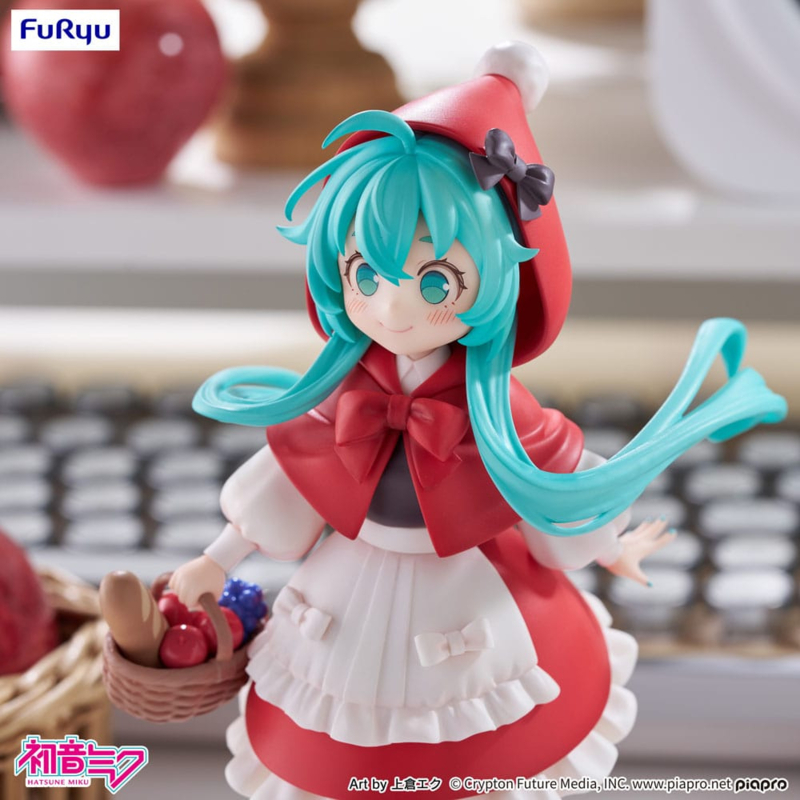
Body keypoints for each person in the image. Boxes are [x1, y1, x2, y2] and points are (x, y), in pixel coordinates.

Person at [171, 42, 786, 799]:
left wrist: (607, 544)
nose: (393, 307)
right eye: (365, 272)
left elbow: (549, 488)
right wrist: (217, 559)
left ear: (500, 278)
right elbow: (287, 478)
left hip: (466, 597)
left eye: (435, 280)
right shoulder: (344, 396)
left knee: (481, 752)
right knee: (330, 752)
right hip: (345, 593)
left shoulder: (492, 409)